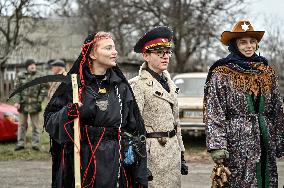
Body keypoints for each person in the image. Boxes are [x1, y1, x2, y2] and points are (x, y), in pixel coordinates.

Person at [44, 32, 148, 188]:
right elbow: (50, 121)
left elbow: (134, 127)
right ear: (92, 53)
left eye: (114, 47)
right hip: (82, 162)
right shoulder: (74, 86)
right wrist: (67, 114)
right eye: (108, 48)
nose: (115, 52)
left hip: (116, 164)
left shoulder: (121, 88)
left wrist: (137, 167)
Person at [204, 20, 284, 187]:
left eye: (252, 42)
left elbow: (277, 109)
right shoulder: (222, 73)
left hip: (264, 140)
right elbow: (214, 112)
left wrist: (279, 139)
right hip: (236, 143)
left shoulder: (266, 72)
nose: (249, 46)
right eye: (243, 42)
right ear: (234, 45)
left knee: (266, 180)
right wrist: (218, 146)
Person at [129, 26, 188, 188]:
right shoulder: (137, 85)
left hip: (172, 152)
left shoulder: (170, 83)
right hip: (151, 154)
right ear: (146, 55)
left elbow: (176, 122)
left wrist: (181, 153)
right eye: (159, 53)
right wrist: (139, 162)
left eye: (167, 52)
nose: (165, 57)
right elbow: (132, 126)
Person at [14, 59, 48, 151]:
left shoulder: (40, 76)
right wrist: (17, 101)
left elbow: (44, 88)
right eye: (30, 65)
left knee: (35, 126)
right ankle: (20, 144)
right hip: (23, 105)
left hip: (35, 105)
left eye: (34, 64)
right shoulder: (21, 76)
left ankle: (35, 144)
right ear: (27, 67)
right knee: (21, 125)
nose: (33, 66)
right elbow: (17, 89)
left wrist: (39, 100)